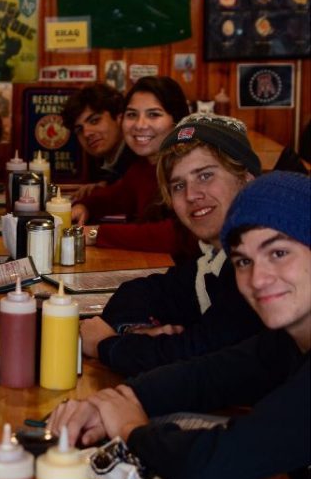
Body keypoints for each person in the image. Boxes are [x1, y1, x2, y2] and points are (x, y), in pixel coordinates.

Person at [48, 172, 310, 479]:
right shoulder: (286, 339)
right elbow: (209, 375)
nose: (257, 279)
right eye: (243, 261)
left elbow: (212, 466)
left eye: (279, 253)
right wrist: (115, 401)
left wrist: (131, 429)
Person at [81, 113, 264, 374]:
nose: (191, 195)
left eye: (205, 176)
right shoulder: (214, 255)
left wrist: (105, 344)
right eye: (178, 185)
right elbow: (145, 291)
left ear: (246, 179)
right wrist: (133, 330)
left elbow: (199, 356)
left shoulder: (259, 264)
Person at [71, 76, 195, 257]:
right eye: (132, 115)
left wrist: (94, 234)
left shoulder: (189, 166)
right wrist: (84, 206)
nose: (140, 125)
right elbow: (116, 196)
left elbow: (178, 236)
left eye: (154, 114)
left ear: (177, 121)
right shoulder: (144, 166)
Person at [60, 84, 135, 185]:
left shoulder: (139, 159)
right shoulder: (98, 165)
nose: (86, 134)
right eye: (79, 129)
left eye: (94, 121)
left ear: (119, 119)